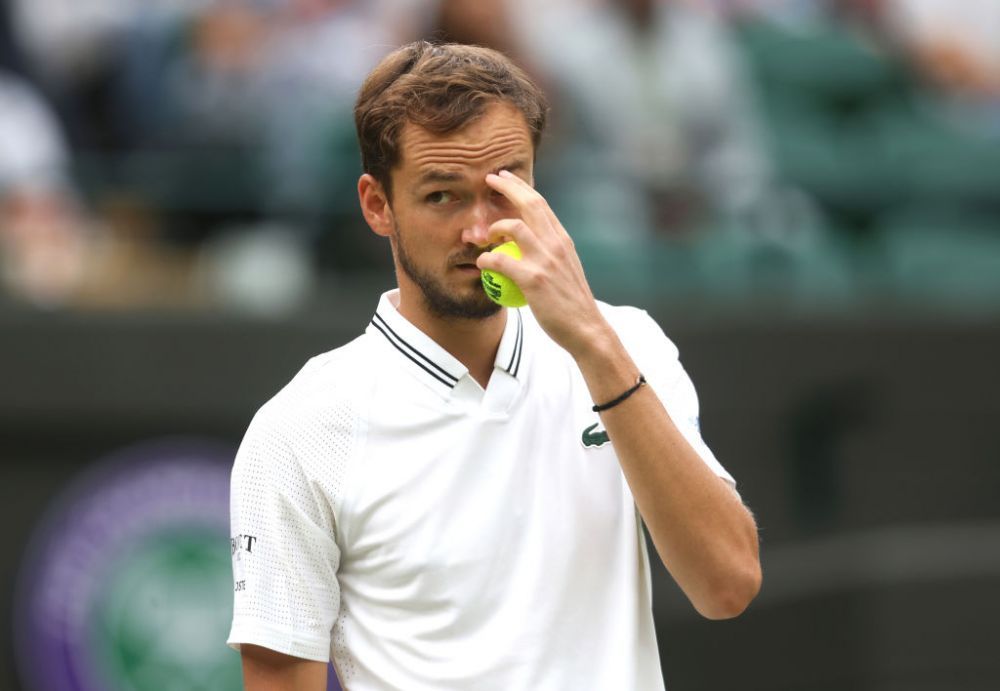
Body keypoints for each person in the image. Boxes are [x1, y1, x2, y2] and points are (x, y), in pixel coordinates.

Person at [227, 41, 761, 690]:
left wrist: (593, 344)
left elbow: (727, 584)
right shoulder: (299, 429)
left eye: (504, 186)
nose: (480, 230)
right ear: (377, 205)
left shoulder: (627, 343)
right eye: (442, 196)